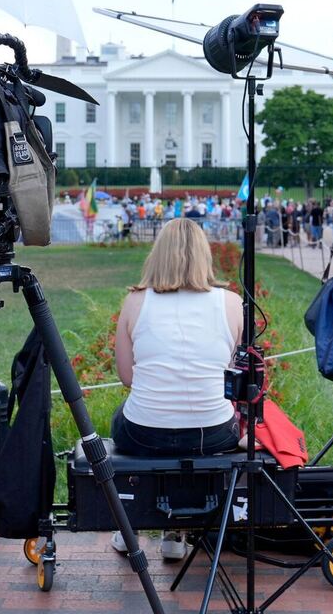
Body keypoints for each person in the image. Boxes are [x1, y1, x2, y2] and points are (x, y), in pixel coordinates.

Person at [110, 218, 244, 560]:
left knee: (126, 420)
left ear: (158, 255)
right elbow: (228, 371)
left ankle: (131, 528)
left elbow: (127, 377)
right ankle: (175, 533)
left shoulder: (136, 301)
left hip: (144, 432)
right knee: (190, 434)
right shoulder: (230, 302)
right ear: (204, 256)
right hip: (212, 431)